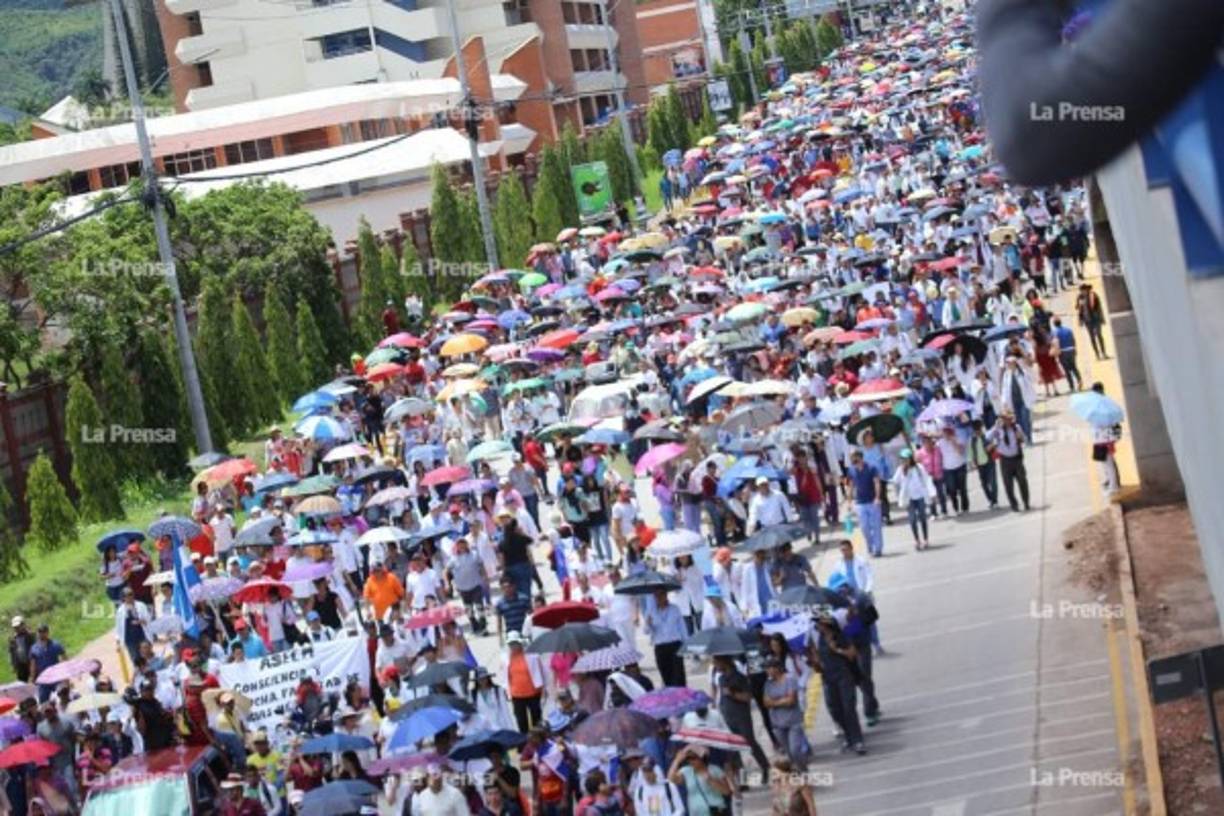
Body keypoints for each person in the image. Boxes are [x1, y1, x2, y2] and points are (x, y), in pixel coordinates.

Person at [763, 657, 809, 770]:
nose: (767, 671)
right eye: (766, 668)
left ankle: (804, 771)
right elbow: (766, 703)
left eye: (769, 668)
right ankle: (799, 776)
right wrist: (782, 700)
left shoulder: (790, 679)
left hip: (794, 721)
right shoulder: (768, 684)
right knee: (789, 753)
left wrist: (775, 702)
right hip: (778, 723)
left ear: (777, 668)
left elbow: (791, 701)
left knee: (795, 750)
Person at [500, 631, 547, 733]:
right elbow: (504, 677)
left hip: (533, 693)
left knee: (537, 719)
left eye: (515, 643)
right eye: (511, 644)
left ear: (520, 642)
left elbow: (542, 672)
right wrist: (506, 690)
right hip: (517, 696)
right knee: (521, 722)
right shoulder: (505, 658)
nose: (513, 646)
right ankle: (525, 744)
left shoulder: (532, 655)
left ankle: (540, 741)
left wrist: (544, 689)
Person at [668, 745, 731, 816]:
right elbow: (671, 778)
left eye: (693, 758)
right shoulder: (686, 771)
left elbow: (727, 791)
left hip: (715, 812)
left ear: (702, 757)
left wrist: (712, 781)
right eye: (688, 758)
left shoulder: (715, 770)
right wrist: (677, 760)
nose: (690, 761)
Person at [990, 411, 1031, 512]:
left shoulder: (1016, 427)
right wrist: (995, 427)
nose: (1006, 421)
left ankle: (1026, 502)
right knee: (1008, 485)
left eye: (1008, 418)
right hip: (1005, 460)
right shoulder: (998, 430)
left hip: (1017, 459)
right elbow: (988, 437)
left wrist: (1021, 437)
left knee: (1022, 481)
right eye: (1004, 418)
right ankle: (1014, 504)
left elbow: (1025, 440)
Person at [644, 589, 687, 688]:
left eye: (661, 595)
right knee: (666, 675)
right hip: (660, 646)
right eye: (656, 596)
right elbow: (646, 631)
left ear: (666, 595)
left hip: (674, 644)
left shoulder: (674, 609)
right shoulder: (651, 611)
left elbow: (682, 627)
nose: (659, 598)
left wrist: (686, 644)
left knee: (679, 675)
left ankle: (682, 697)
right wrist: (648, 624)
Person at [847, 451, 885, 557]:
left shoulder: (872, 468)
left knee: (876, 526)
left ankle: (877, 549)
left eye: (855, 458)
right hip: (860, 503)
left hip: (873, 501)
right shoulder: (851, 470)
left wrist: (877, 498)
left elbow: (877, 482)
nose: (853, 461)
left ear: (860, 458)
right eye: (852, 459)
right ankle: (870, 546)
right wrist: (849, 502)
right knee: (864, 527)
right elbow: (850, 486)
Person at [29, 624, 65, 702]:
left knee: (62, 697)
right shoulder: (34, 648)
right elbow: (33, 665)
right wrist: (32, 679)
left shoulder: (56, 644)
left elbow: (64, 659)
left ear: (47, 632)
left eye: (43, 631)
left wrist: (66, 676)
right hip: (43, 679)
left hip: (56, 677)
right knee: (43, 701)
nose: (41, 633)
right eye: (40, 631)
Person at [1052, 316, 1083, 392]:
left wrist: (1056, 354)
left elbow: (1056, 344)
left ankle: (1071, 387)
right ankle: (1079, 380)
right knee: (1074, 367)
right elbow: (1073, 340)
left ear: (1054, 324)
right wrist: (1075, 349)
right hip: (1071, 350)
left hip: (1063, 352)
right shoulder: (1069, 330)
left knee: (1067, 370)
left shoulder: (1055, 332)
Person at [8, 616, 35, 683]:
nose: (16, 629)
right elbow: (12, 652)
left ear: (23, 625)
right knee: (21, 683)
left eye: (18, 626)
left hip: (31, 662)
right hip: (20, 665)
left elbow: (36, 648)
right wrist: (13, 665)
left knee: (35, 681)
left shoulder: (30, 635)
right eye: (15, 627)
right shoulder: (12, 638)